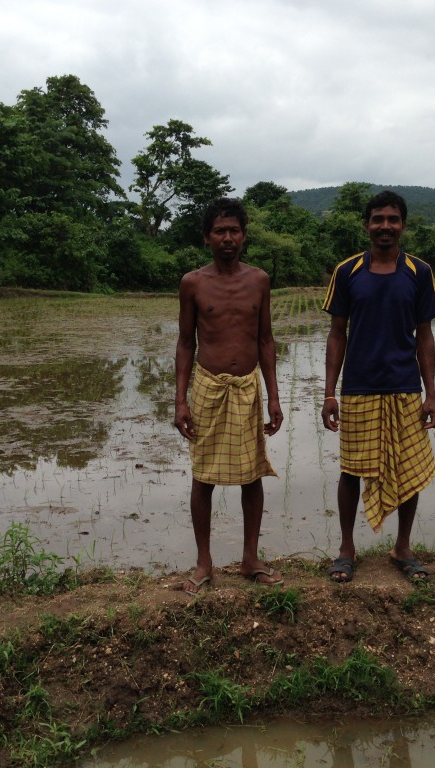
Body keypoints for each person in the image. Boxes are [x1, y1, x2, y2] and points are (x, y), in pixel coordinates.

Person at [320, 190, 435, 583]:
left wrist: (431, 394)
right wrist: (328, 393)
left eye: (392, 219)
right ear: (367, 225)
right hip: (358, 387)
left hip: (405, 387)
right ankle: (346, 549)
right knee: (351, 470)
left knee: (407, 469)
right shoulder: (348, 271)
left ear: (403, 225)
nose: (385, 226)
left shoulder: (419, 272)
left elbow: (424, 336)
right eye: (378, 219)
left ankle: (402, 547)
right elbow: (337, 334)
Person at [174, 197, 285, 595]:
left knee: (251, 474)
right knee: (203, 476)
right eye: (219, 230)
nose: (227, 238)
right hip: (207, 386)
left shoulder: (259, 280)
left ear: (244, 235)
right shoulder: (193, 283)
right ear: (207, 237)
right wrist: (180, 400)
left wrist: (273, 396)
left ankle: (250, 558)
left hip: (247, 387)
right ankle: (204, 563)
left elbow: (266, 339)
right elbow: (186, 343)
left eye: (234, 230)